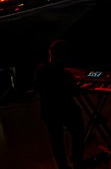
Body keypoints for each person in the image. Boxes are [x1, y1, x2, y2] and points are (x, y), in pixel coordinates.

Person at [34, 40, 84, 169]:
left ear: (50, 53)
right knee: (78, 129)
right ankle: (77, 160)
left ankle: (63, 166)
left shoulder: (40, 70)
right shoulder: (65, 74)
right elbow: (74, 92)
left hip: (48, 111)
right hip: (65, 109)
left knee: (57, 142)